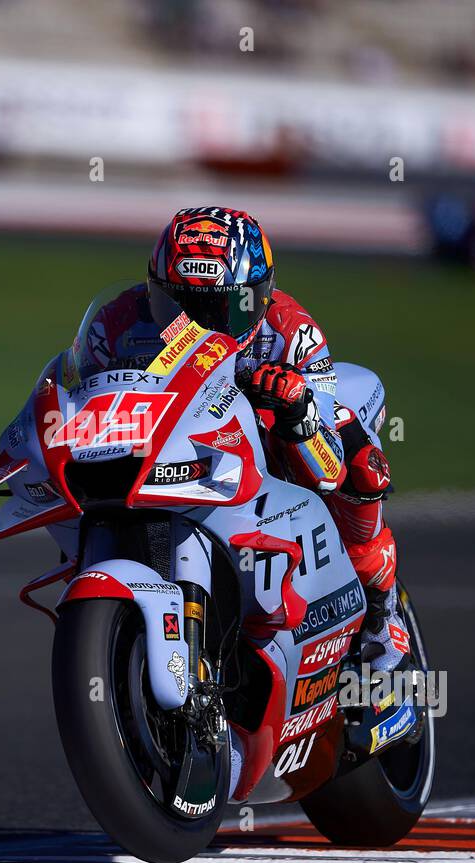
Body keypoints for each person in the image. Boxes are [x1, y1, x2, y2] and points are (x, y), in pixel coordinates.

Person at [84, 207, 413, 748]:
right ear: (155, 292)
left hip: (262, 453)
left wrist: (297, 409)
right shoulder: (115, 325)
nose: (195, 325)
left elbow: (327, 463)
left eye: (217, 308)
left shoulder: (291, 331)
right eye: (179, 305)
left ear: (257, 297)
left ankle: (382, 609)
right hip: (169, 453)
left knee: (357, 464)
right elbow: (84, 389)